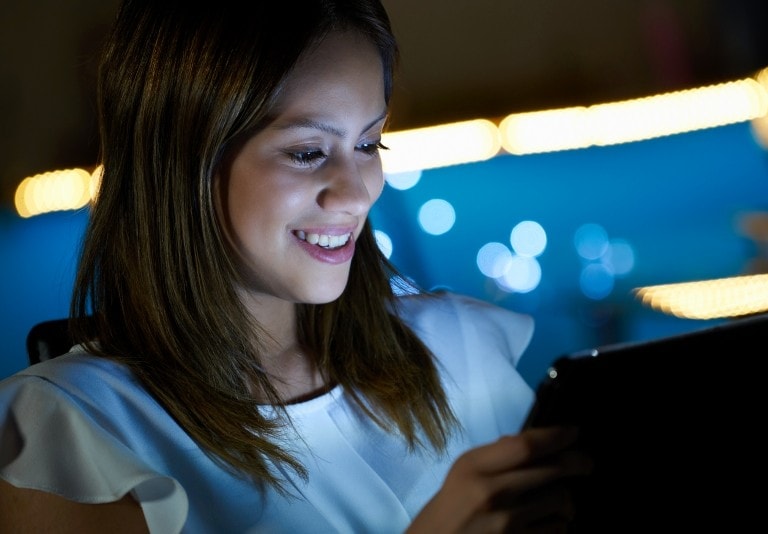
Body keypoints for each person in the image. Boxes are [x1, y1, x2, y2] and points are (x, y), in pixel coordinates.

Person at [0, 1, 592, 532]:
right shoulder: (70, 433)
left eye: (369, 144)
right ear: (180, 163)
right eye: (308, 153)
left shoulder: (458, 349)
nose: (355, 194)